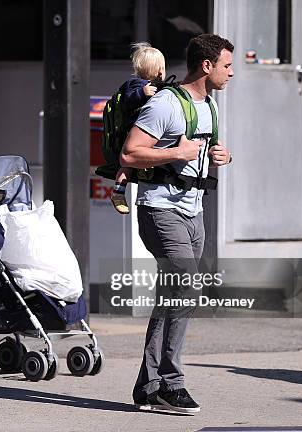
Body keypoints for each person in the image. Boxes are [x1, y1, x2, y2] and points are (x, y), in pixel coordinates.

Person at [120, 34, 234, 414]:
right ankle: (172, 383)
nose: (231, 73)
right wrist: (177, 151)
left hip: (194, 211)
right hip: (160, 209)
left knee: (172, 297)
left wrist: (221, 156)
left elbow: (201, 156)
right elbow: (130, 153)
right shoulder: (167, 103)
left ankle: (149, 385)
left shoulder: (211, 106)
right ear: (207, 66)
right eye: (227, 66)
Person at [110, 43, 166, 214]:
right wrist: (142, 92)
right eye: (162, 68)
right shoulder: (136, 85)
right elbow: (128, 101)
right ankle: (118, 193)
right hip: (131, 135)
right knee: (127, 167)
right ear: (157, 70)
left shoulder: (156, 88)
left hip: (148, 135)